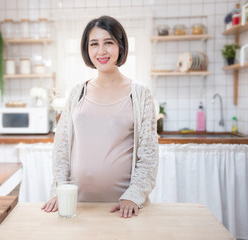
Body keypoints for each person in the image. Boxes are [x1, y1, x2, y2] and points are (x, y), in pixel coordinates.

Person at [41, 15, 159, 218]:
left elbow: (148, 154)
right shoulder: (77, 92)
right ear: (87, 49)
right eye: (94, 44)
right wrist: (59, 191)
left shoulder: (140, 94)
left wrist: (133, 197)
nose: (101, 51)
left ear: (120, 47)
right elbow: (61, 148)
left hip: (124, 208)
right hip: (77, 206)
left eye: (109, 43)